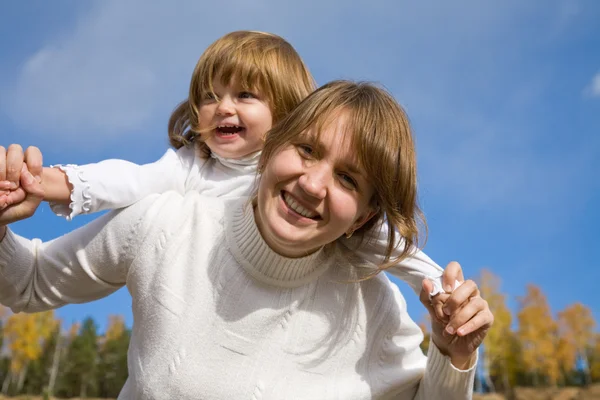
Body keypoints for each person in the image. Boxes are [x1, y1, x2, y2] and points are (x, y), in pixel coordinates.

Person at [0, 80, 493, 399]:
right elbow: (27, 283)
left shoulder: (374, 309)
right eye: (305, 150)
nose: (312, 184)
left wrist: (454, 356)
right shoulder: (167, 224)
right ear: (272, 146)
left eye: (348, 180)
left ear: (364, 218)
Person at [0, 30, 447, 298]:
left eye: (244, 95)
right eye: (209, 97)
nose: (222, 108)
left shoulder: (301, 187)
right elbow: (128, 180)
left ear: (290, 114)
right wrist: (40, 181)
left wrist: (440, 288)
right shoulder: (189, 168)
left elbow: (384, 243)